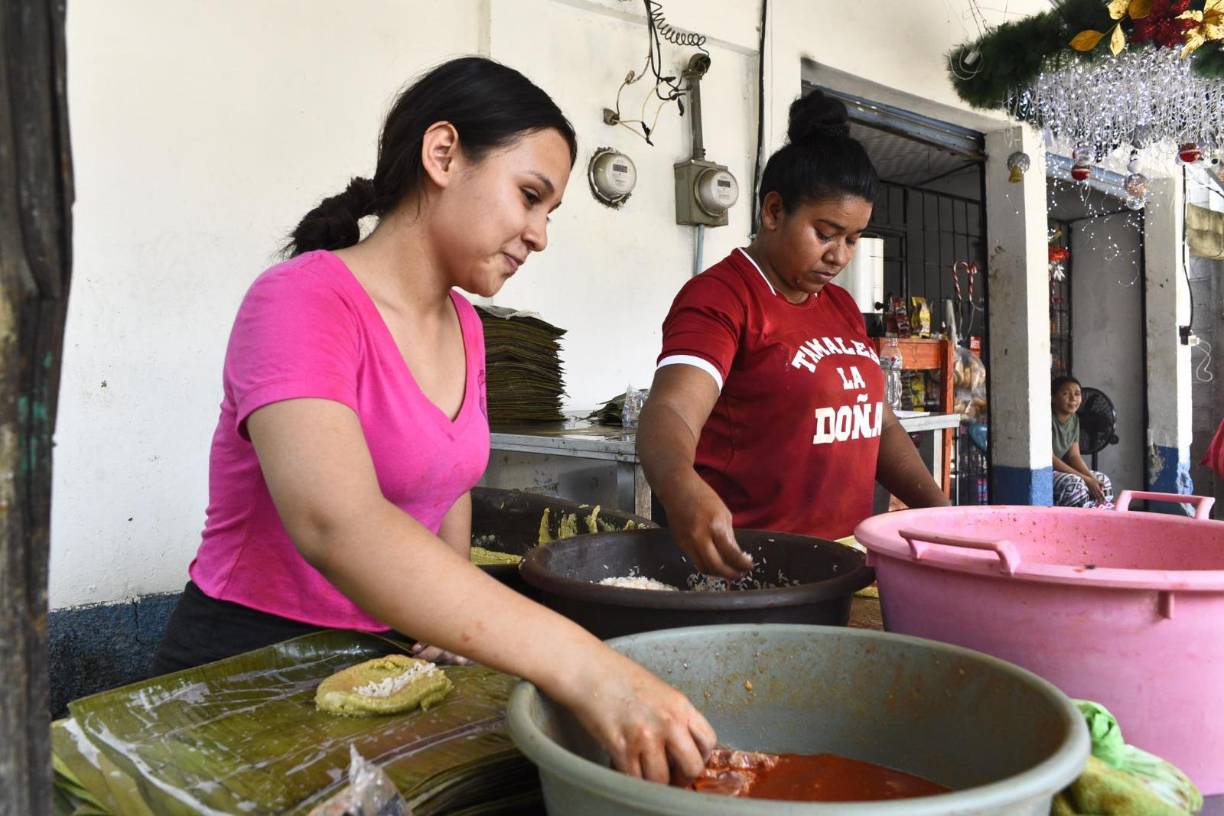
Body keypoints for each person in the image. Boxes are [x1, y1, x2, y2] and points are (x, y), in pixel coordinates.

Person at [150, 57, 714, 785]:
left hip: (391, 655)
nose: (539, 235)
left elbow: (448, 484)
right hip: (249, 663)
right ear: (443, 154)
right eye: (530, 196)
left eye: (549, 213)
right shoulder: (300, 301)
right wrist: (587, 667)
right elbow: (336, 522)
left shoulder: (466, 327)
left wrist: (448, 626)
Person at [637, 90, 948, 579]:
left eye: (852, 239)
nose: (839, 255)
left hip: (844, 563)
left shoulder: (840, 306)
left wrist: (941, 512)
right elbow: (671, 411)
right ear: (774, 211)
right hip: (755, 568)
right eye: (825, 233)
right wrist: (681, 488)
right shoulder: (723, 296)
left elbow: (879, 424)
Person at [1051, 375, 1113, 508]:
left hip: (1062, 470)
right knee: (1076, 485)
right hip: (1046, 471)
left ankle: (1099, 516)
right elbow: (1050, 459)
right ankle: (1077, 520)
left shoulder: (1074, 419)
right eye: (1065, 394)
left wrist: (1092, 478)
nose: (1073, 398)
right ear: (1053, 397)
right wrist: (1086, 479)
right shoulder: (1046, 418)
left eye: (1077, 394)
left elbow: (1074, 456)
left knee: (1103, 481)